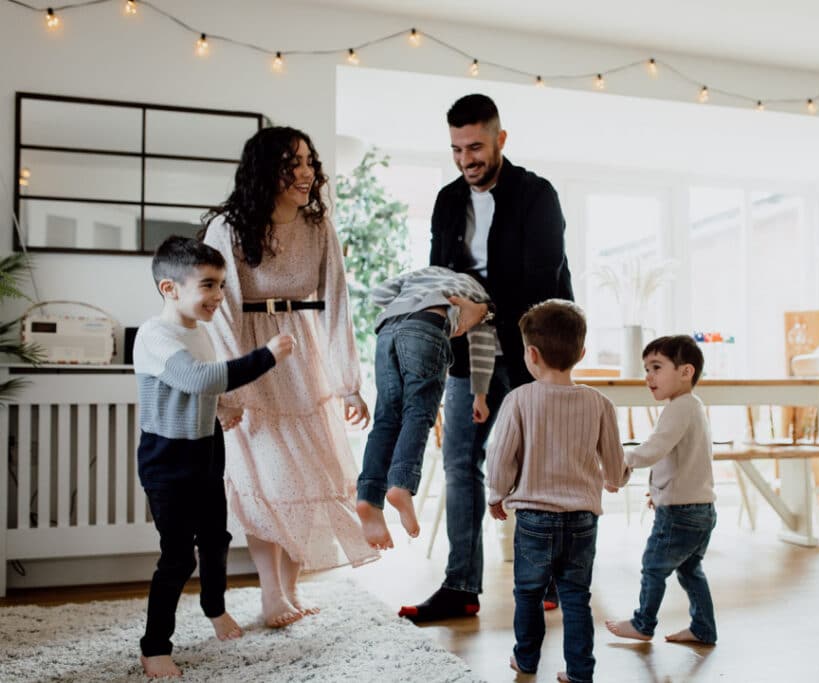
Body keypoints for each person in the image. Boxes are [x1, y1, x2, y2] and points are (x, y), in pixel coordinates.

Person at [400, 93, 574, 623]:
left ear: (501, 139)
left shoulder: (537, 195)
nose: (466, 159)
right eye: (456, 149)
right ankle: (461, 588)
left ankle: (548, 579)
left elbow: (542, 280)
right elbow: (439, 272)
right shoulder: (448, 199)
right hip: (464, 355)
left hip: (531, 354)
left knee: (540, 468)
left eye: (475, 146)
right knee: (459, 463)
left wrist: (484, 307)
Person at [201, 126, 378, 630]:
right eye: (291, 164)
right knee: (266, 479)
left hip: (306, 359)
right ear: (265, 171)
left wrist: (349, 382)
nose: (305, 173)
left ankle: (293, 587)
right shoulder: (229, 230)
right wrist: (232, 391)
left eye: (308, 162)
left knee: (312, 475)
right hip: (254, 360)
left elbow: (339, 303)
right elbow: (221, 313)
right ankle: (271, 592)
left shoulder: (319, 226)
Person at [134, 236, 294, 678]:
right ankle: (154, 646)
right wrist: (267, 357)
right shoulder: (154, 335)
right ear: (170, 289)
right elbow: (198, 379)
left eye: (221, 285)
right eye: (208, 285)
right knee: (179, 558)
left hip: (205, 451)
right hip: (167, 461)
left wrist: (223, 409)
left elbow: (198, 391)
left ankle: (214, 608)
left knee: (216, 539)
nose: (218, 297)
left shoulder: (199, 332)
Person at [487, 300, 630, 683]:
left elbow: (501, 457)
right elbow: (615, 465)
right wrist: (616, 478)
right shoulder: (600, 403)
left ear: (531, 354)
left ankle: (527, 660)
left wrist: (495, 494)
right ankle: (581, 672)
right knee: (576, 597)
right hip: (583, 519)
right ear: (581, 353)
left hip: (534, 519)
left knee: (529, 594)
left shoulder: (519, 399)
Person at [356, 265, 497, 549]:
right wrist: (480, 396)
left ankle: (368, 497)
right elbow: (481, 351)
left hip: (386, 330)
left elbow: (379, 293)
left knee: (386, 418)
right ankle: (401, 484)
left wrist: (408, 294)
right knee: (418, 413)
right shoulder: (477, 298)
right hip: (426, 326)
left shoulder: (422, 274)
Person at [605, 335, 718, 646]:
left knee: (653, 567)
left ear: (686, 372)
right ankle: (703, 628)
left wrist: (620, 461)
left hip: (680, 512)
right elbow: (679, 460)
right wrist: (658, 490)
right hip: (700, 508)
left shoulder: (680, 408)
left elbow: (654, 449)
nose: (648, 377)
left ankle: (643, 623)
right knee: (690, 571)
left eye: (656, 367)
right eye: (646, 369)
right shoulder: (691, 406)